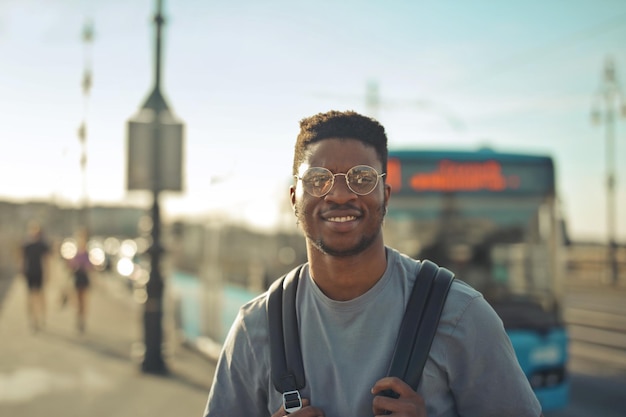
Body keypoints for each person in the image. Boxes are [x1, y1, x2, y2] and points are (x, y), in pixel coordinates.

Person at [203, 110, 544, 417]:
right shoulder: (255, 328)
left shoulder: (461, 315)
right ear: (295, 198)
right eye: (318, 178)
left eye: (362, 178)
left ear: (386, 196)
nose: (339, 194)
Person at [21, 221, 51, 332]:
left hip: (39, 273)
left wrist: (48, 274)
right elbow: (23, 260)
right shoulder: (26, 245)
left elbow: (46, 260)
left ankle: (41, 316)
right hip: (30, 273)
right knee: (30, 297)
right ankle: (33, 319)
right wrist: (22, 270)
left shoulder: (42, 245)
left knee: (40, 296)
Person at [67, 229, 93, 333]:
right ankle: (79, 317)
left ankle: (82, 319)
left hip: (84, 278)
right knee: (77, 300)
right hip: (77, 278)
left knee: (83, 300)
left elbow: (90, 267)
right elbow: (71, 266)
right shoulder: (76, 252)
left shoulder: (86, 253)